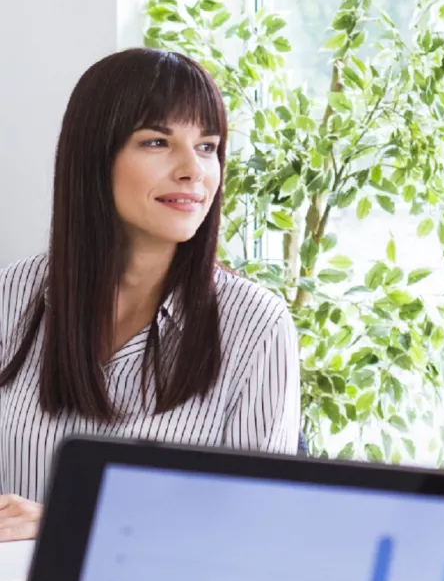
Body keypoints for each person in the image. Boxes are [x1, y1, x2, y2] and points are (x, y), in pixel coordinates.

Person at [0, 48, 301, 541]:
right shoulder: (11, 297)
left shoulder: (256, 326)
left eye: (207, 146)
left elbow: (257, 530)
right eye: (158, 141)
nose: (193, 171)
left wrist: (71, 524)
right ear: (95, 157)